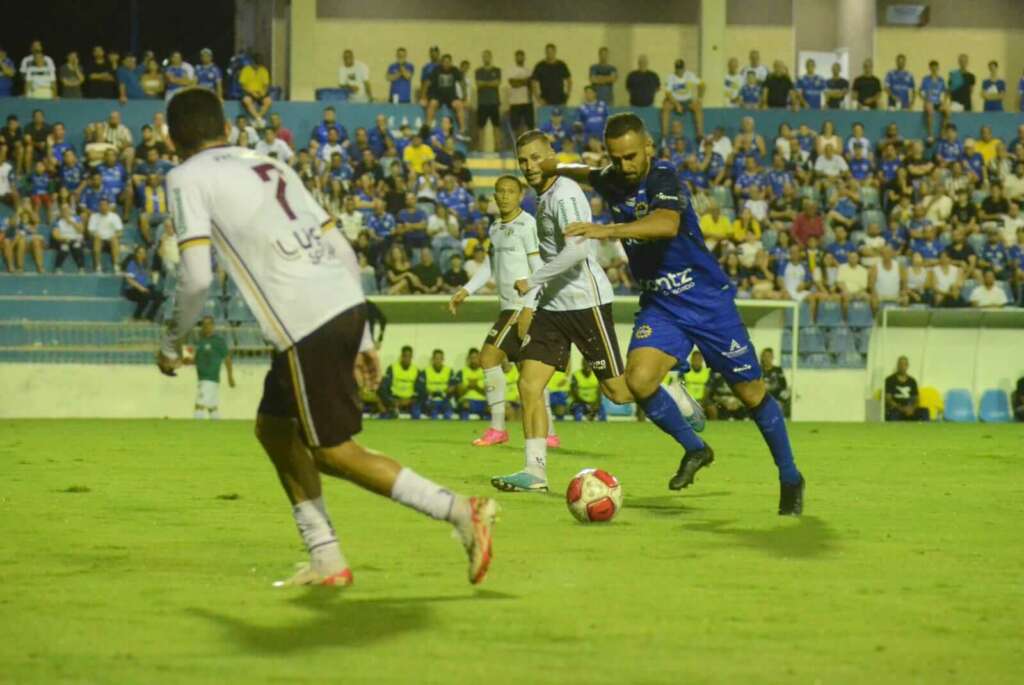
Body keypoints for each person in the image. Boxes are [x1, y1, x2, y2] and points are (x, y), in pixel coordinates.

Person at [158, 88, 497, 588]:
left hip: (303, 320)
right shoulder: (269, 162)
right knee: (274, 429)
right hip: (340, 301)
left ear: (171, 139)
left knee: (332, 450)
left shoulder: (186, 177)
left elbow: (197, 278)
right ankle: (325, 557)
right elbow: (339, 244)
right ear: (226, 128)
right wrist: (361, 336)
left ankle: (459, 511)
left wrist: (170, 342)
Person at [549, 113, 805, 515]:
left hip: (706, 300)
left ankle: (790, 477)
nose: (625, 165)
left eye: (632, 156)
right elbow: (587, 171)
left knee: (751, 393)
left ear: (648, 147)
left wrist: (607, 230)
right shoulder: (613, 175)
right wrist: (551, 165)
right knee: (639, 379)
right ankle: (696, 448)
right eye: (617, 158)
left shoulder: (663, 177)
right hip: (662, 304)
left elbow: (666, 225)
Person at [487, 129, 634, 493]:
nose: (529, 166)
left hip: (586, 301)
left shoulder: (566, 192)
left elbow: (578, 251)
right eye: (523, 161)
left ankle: (671, 394)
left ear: (552, 154)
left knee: (618, 391)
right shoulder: (544, 198)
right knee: (528, 383)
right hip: (554, 306)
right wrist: (534, 301)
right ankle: (534, 473)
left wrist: (532, 281)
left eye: (536, 157)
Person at [448, 175, 559, 449]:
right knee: (529, 371)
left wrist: (529, 308)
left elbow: (539, 271)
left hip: (521, 306)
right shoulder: (496, 228)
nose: (505, 196)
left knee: (487, 358)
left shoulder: (528, 225)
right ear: (494, 197)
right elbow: (489, 266)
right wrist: (466, 291)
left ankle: (498, 428)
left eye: (511, 191)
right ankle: (551, 433)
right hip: (510, 306)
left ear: (520, 196)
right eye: (500, 192)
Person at [185, 316, 235, 419]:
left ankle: (196, 433)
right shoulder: (200, 341)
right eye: (203, 324)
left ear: (213, 326)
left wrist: (230, 376)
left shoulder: (218, 341)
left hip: (210, 379)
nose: (205, 327)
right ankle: (219, 431)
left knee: (199, 406)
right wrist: (186, 360)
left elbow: (227, 359)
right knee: (212, 408)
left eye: (208, 324)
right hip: (202, 379)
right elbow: (194, 360)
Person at [424, 54, 468, 139]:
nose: (446, 64)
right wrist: (424, 97)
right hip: (438, 95)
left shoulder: (454, 70)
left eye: (448, 62)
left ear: (451, 62)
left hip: (451, 96)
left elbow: (462, 83)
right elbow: (427, 83)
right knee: (432, 104)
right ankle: (427, 127)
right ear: (441, 62)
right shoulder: (436, 70)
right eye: (444, 62)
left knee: (459, 105)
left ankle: (463, 130)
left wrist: (465, 98)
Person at [662, 59, 704, 140]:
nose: (679, 71)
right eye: (678, 68)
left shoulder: (690, 75)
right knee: (666, 106)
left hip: (687, 101)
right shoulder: (670, 77)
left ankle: (699, 134)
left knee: (698, 106)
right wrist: (676, 104)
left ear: (684, 68)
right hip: (675, 101)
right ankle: (665, 135)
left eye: (681, 68)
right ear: (675, 69)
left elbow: (702, 85)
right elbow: (667, 93)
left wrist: (699, 98)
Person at [122, 245, 165, 320]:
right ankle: (136, 317)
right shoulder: (132, 264)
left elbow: (148, 278)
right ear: (136, 254)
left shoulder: (145, 264)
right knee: (145, 296)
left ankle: (150, 317)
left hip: (144, 288)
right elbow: (129, 280)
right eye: (140, 253)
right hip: (132, 290)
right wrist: (141, 288)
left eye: (143, 253)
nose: (142, 255)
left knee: (160, 296)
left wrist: (151, 283)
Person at [884, 356, 929, 421]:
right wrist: (901, 408)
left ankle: (925, 430)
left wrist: (912, 408)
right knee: (893, 414)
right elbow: (888, 399)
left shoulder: (912, 381)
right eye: (900, 364)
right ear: (897, 365)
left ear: (907, 366)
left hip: (910, 409)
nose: (902, 366)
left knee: (925, 411)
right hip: (897, 409)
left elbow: (916, 399)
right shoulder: (890, 380)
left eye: (904, 364)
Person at [474, 50, 502, 149]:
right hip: (482, 103)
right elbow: (478, 83)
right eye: (484, 56)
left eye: (488, 56)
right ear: (482, 58)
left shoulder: (497, 70)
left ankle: (497, 148)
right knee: (481, 127)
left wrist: (485, 83)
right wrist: (490, 83)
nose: (486, 58)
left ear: (491, 57)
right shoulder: (478, 71)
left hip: (494, 102)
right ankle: (480, 148)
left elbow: (497, 83)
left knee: (496, 126)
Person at [89, 197, 122, 273]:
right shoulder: (94, 216)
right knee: (97, 238)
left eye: (105, 205)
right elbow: (90, 231)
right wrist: (95, 235)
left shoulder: (115, 216)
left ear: (108, 206)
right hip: (99, 239)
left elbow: (120, 231)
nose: (103, 207)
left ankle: (116, 266)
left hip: (111, 239)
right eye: (101, 205)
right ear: (99, 206)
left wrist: (115, 236)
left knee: (114, 239)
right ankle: (98, 266)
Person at [239, 53, 272, 126]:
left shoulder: (264, 70)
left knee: (268, 101)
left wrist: (263, 93)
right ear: (252, 62)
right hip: (249, 92)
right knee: (247, 100)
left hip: (260, 93)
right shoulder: (246, 70)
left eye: (259, 65)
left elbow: (266, 85)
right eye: (256, 64)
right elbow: (242, 85)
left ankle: (257, 119)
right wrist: (252, 92)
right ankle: (259, 119)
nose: (257, 66)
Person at [507, 49, 534, 134]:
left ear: (524, 58)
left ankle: (529, 145)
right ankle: (517, 145)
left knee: (529, 125)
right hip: (515, 102)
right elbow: (513, 83)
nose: (520, 58)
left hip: (527, 101)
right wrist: (525, 81)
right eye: (518, 56)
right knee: (515, 126)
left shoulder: (529, 70)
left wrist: (519, 81)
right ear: (515, 58)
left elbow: (531, 84)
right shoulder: (511, 70)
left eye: (521, 56)